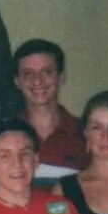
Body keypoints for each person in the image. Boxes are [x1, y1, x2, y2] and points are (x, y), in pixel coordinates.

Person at [12, 40, 86, 182]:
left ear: (61, 76)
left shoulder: (84, 133)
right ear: (17, 81)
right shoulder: (6, 136)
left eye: (47, 72)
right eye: (28, 74)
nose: (38, 81)